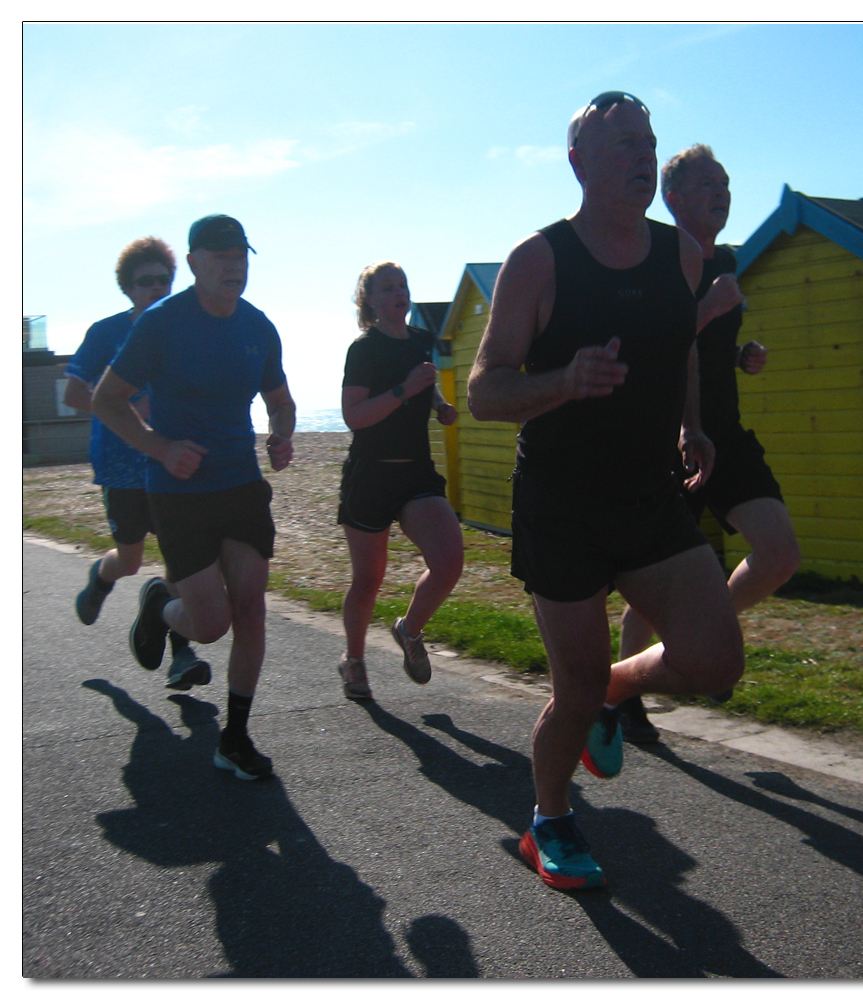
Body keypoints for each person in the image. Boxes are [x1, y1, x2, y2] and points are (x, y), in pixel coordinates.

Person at [467, 93, 743, 890]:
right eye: (622, 142)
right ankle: (548, 818)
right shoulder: (540, 260)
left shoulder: (682, 256)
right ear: (579, 161)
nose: (642, 155)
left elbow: (681, 345)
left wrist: (693, 424)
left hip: (648, 493)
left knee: (716, 659)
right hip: (562, 505)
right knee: (574, 686)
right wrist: (564, 379)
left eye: (649, 142)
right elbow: (486, 391)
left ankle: (613, 691)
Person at [92, 214, 296, 781]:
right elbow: (109, 400)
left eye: (242, 255)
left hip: (240, 484)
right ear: (196, 261)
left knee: (251, 607)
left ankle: (235, 736)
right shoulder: (162, 324)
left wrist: (283, 431)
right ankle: (161, 604)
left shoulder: (258, 326)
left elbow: (281, 398)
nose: (235, 265)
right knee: (210, 625)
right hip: (178, 490)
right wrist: (158, 447)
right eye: (221, 255)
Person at [617, 145, 801, 745]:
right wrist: (706, 313)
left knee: (779, 554)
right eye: (706, 184)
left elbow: (708, 346)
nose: (721, 193)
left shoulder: (723, 259)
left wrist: (742, 353)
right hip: (671, 439)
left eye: (725, 183)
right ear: (672, 197)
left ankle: (701, 633)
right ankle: (624, 690)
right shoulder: (656, 260)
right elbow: (649, 349)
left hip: (727, 431)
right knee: (655, 584)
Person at [65, 237, 211, 692]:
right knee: (129, 560)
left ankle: (182, 655)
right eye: (146, 282)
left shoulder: (184, 331)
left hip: (170, 466)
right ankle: (99, 578)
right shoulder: (105, 333)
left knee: (180, 561)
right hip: (120, 467)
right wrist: (124, 409)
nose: (157, 289)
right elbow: (73, 394)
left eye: (164, 281)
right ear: (128, 288)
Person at [336, 261, 464, 701]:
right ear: (369, 300)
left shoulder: (421, 341)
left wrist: (439, 403)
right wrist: (406, 391)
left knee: (449, 562)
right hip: (370, 474)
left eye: (403, 285)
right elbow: (354, 416)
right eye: (387, 287)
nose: (399, 293)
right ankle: (354, 661)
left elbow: (424, 383)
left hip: (415, 471)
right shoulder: (364, 350)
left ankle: (409, 631)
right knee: (368, 580)